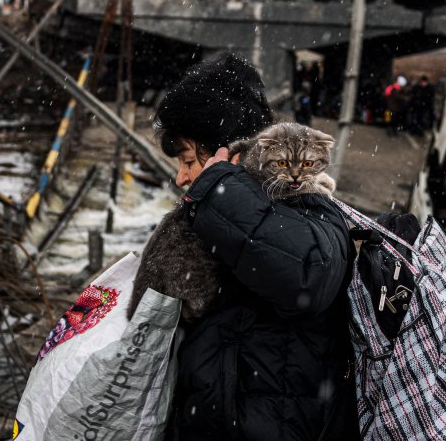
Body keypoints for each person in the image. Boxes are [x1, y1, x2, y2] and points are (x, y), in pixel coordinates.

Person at [152, 53, 358, 441]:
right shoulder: (220, 224)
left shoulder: (308, 205)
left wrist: (221, 187)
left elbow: (309, 275)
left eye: (187, 160)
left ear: (226, 154)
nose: (180, 177)